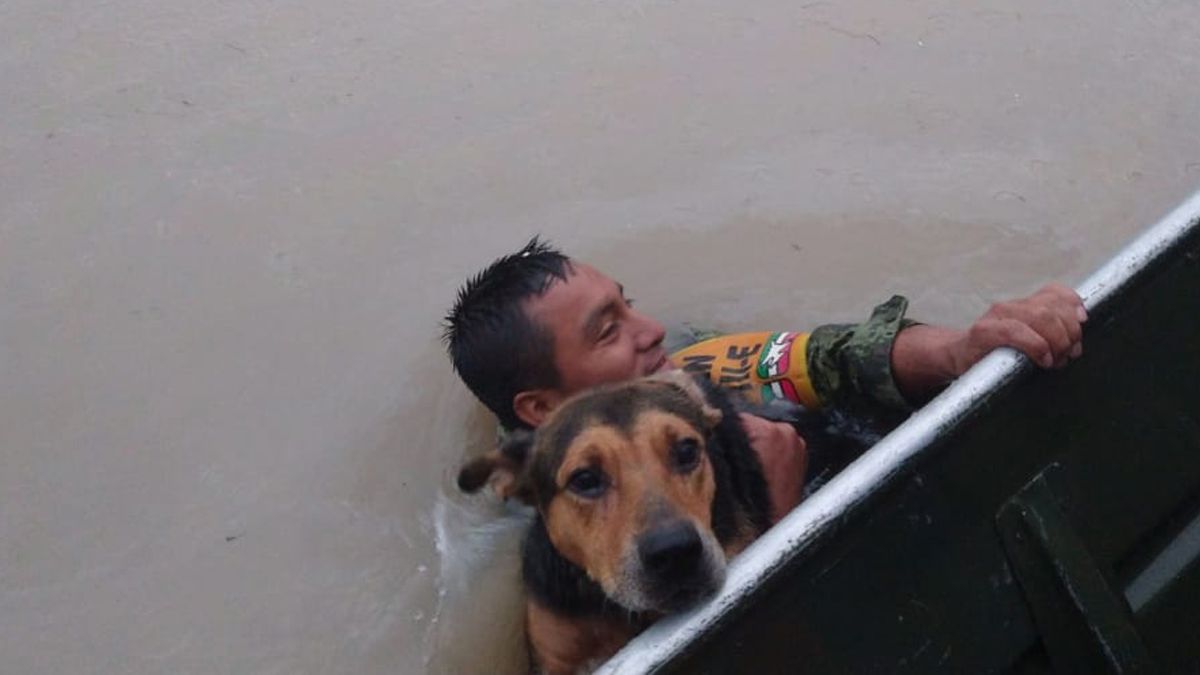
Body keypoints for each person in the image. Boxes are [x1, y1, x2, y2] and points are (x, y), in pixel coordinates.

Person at [443, 237, 1087, 521]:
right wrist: (775, 524)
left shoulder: (684, 370)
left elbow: (837, 356)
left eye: (628, 303)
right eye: (608, 329)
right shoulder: (564, 524)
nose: (653, 331)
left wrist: (964, 349)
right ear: (540, 407)